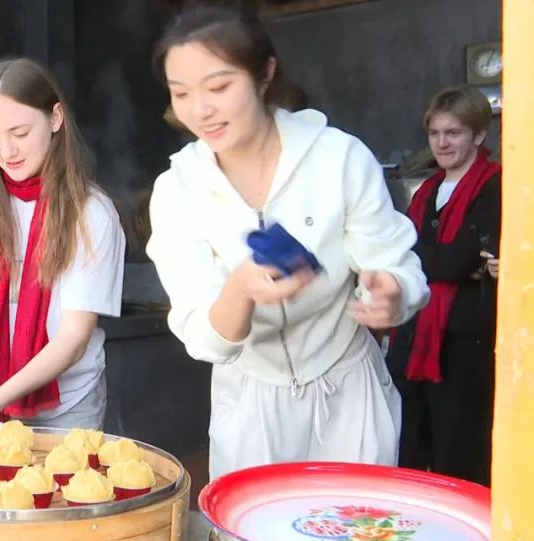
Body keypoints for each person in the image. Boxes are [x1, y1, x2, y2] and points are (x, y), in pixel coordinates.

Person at [146, 6, 429, 480]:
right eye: (182, 93)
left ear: (264, 74)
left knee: (357, 540)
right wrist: (240, 289)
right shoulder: (178, 191)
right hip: (252, 401)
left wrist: (393, 292)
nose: (201, 109)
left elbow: (396, 264)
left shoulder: (339, 157)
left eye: (219, 87)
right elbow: (205, 340)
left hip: (348, 387)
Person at [0, 58, 126, 430]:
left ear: (55, 119)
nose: (7, 151)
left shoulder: (92, 212)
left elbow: (73, 338)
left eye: (20, 133)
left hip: (69, 403)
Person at [386, 86, 501, 486]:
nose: (442, 143)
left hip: (462, 344)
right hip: (414, 335)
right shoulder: (429, 190)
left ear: (479, 135)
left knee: (460, 454)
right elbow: (410, 253)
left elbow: (451, 263)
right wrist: (446, 260)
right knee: (408, 448)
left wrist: (430, 259)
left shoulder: (494, 186)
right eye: (435, 133)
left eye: (453, 133)